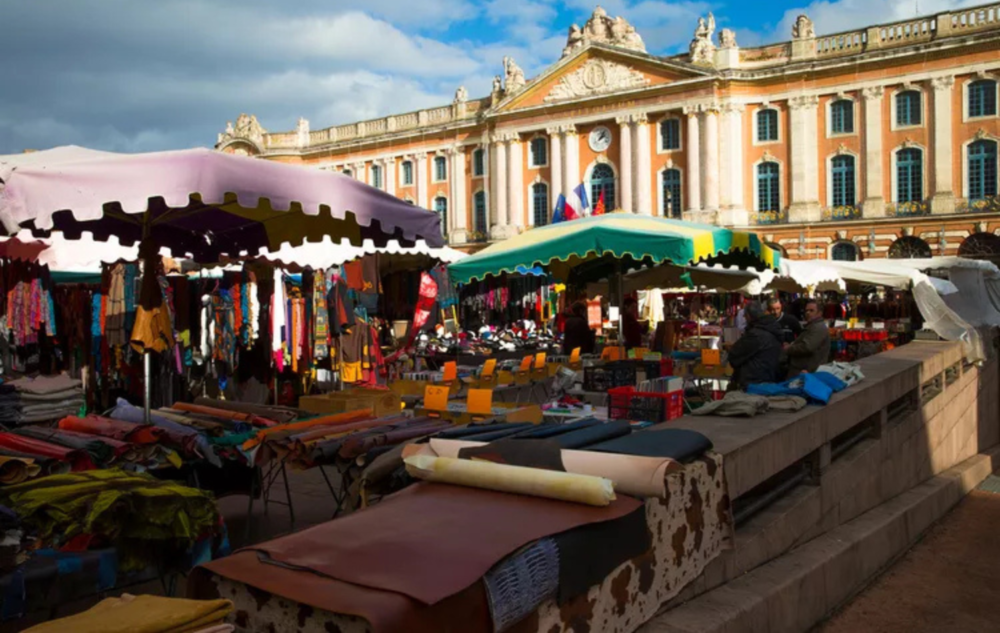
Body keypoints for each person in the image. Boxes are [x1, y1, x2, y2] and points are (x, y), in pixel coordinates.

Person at [727, 301, 783, 390]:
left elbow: (734, 355)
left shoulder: (755, 334)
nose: (744, 317)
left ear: (749, 316)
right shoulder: (771, 328)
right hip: (769, 379)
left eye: (745, 315)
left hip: (754, 382)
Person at [784, 299, 831, 377]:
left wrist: (789, 348)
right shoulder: (812, 326)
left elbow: (807, 347)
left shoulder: (818, 327)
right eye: (806, 311)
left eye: (811, 310)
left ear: (819, 313)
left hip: (807, 372)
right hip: (802, 370)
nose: (808, 313)